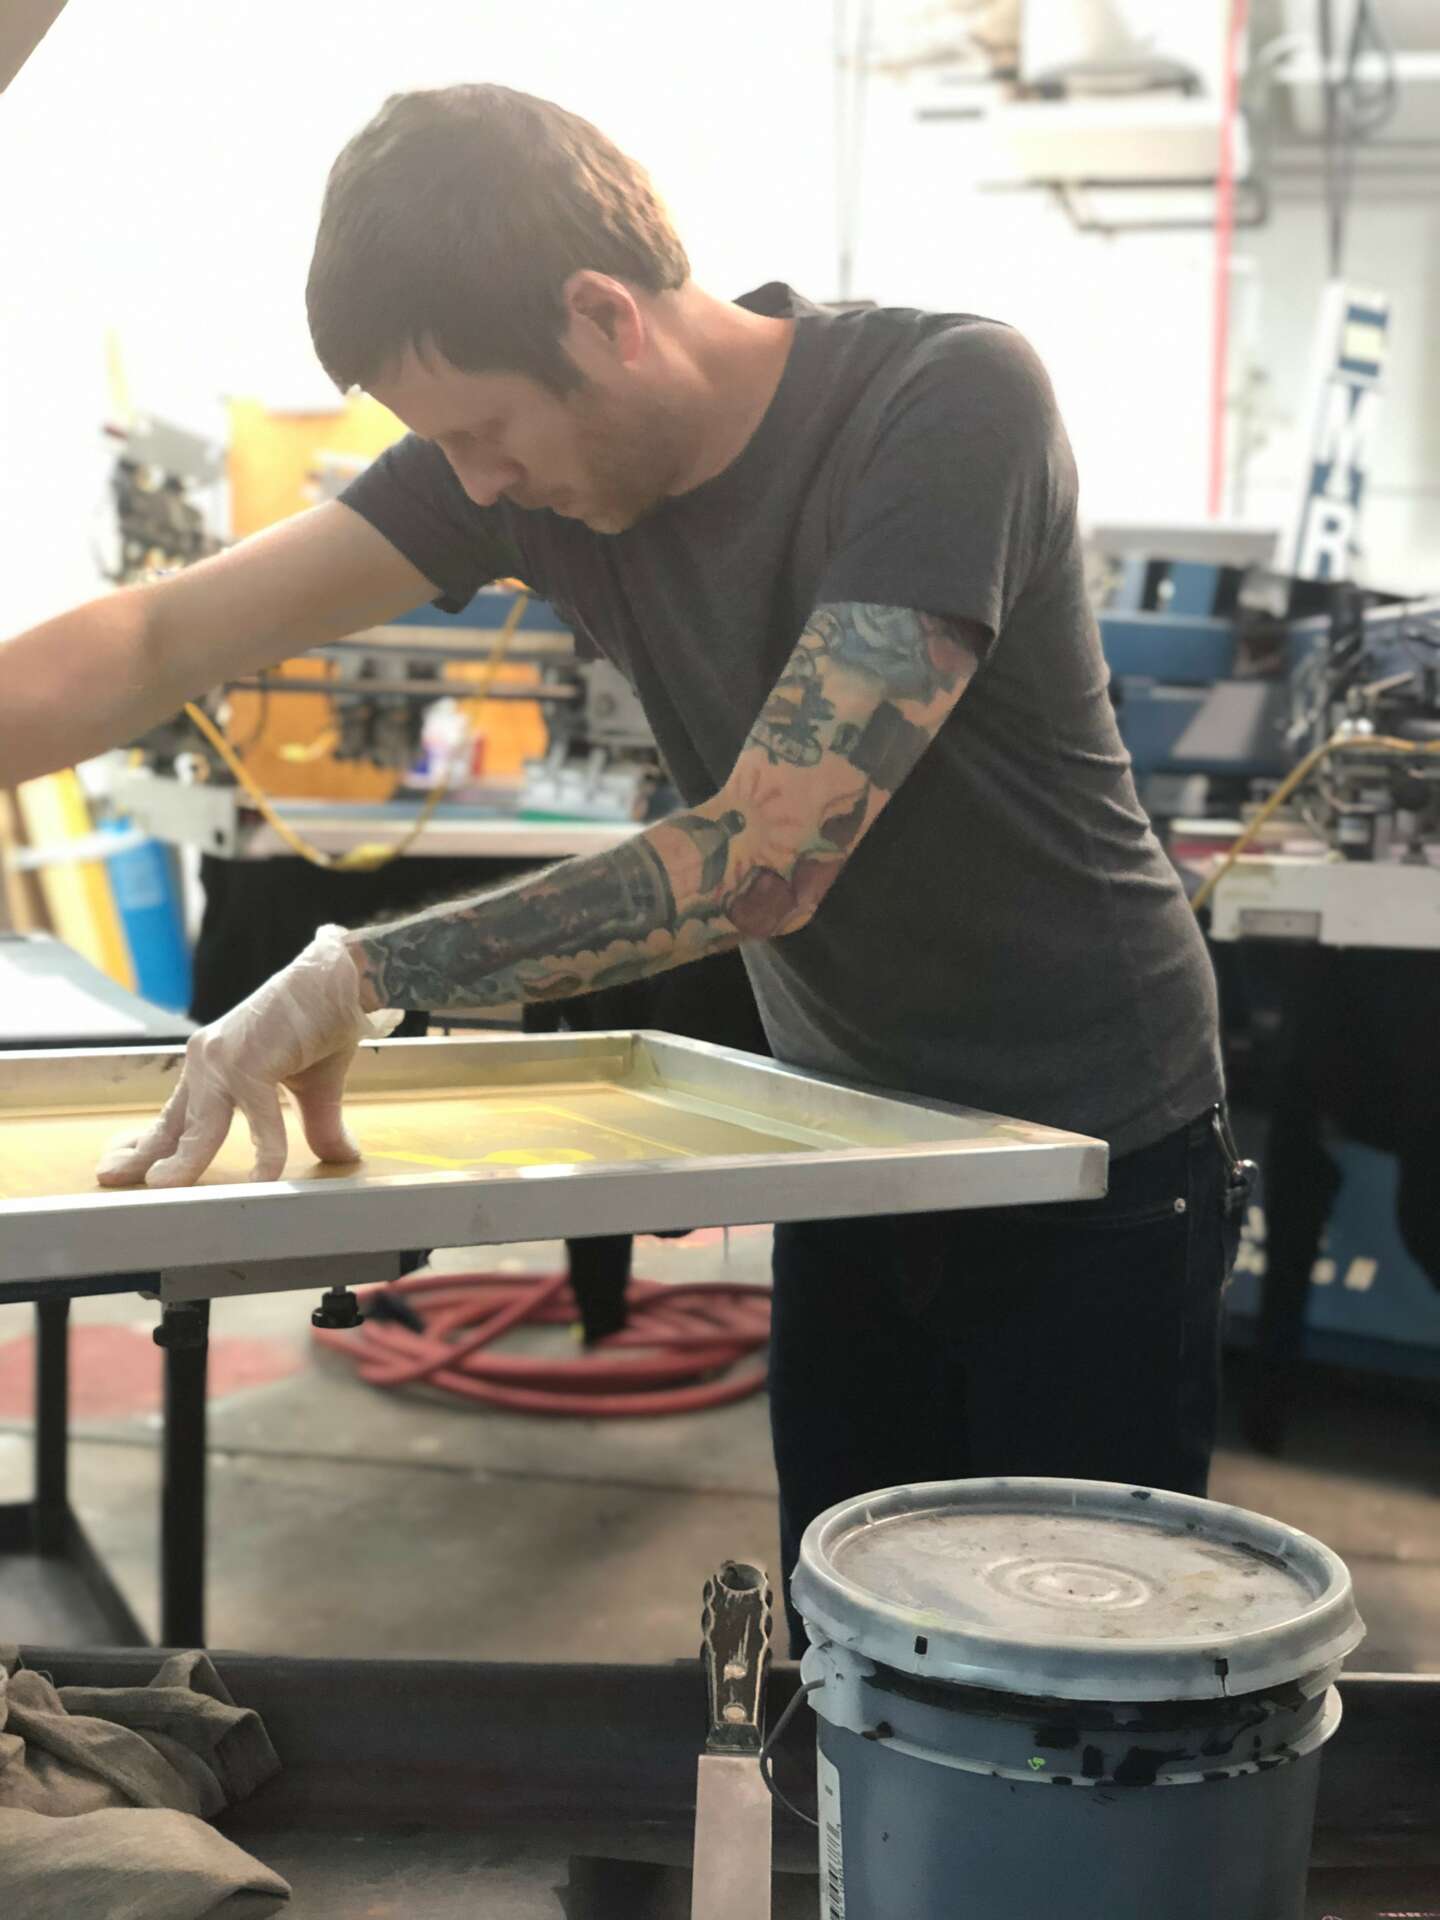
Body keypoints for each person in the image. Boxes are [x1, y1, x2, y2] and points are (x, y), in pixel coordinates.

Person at [0, 84, 1243, 1643]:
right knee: (856, 1650)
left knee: (1073, 1680)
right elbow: (155, 638)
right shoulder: (526, 472)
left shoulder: (945, 401)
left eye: (481, 432)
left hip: (1097, 1159)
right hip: (858, 1146)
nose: (474, 483)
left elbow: (766, 855)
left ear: (603, 317)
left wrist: (360, 971)